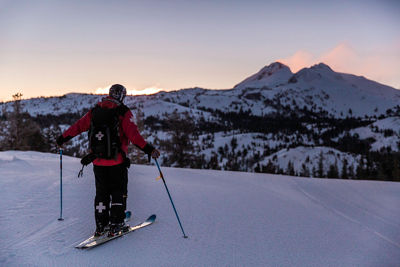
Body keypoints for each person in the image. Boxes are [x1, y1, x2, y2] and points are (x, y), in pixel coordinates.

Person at [56, 84, 160, 237]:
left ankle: (100, 225)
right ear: (122, 96)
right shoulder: (123, 112)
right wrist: (150, 149)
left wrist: (62, 138)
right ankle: (116, 224)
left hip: (98, 161)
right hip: (117, 162)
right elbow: (134, 136)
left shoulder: (95, 111)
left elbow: (77, 127)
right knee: (119, 192)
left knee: (102, 193)